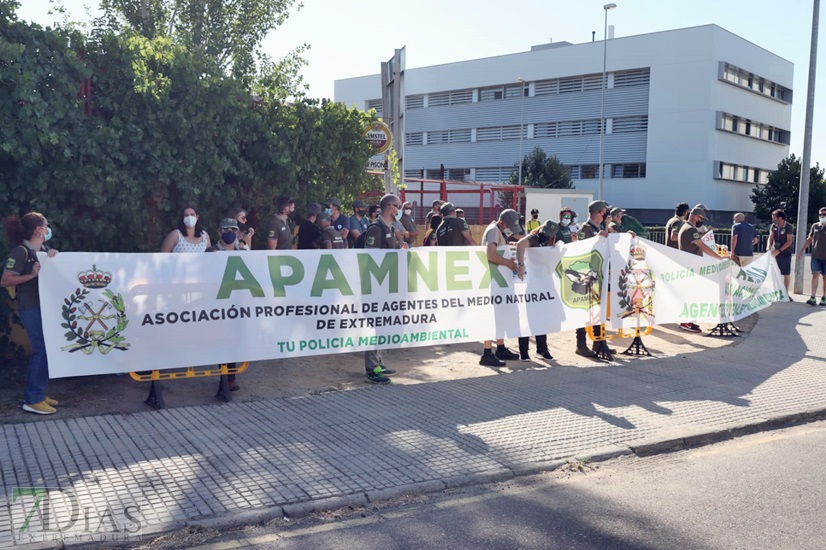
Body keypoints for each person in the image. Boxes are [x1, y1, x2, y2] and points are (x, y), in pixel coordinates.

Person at [1, 212, 60, 414]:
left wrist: (52, 258)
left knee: (45, 350)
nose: (49, 227)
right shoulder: (21, 251)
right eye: (46, 225)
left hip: (43, 307)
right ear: (39, 230)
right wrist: (31, 275)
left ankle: (39, 394)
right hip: (30, 308)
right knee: (40, 350)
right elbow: (5, 280)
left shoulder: (42, 250)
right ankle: (32, 399)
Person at [362, 194, 407, 383]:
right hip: (375, 286)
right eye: (398, 206)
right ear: (390, 207)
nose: (401, 209)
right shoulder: (376, 229)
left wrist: (400, 248)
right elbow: (371, 257)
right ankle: (372, 369)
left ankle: (378, 361)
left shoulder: (390, 228)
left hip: (386, 285)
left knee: (382, 325)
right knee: (375, 326)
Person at [479, 209, 523, 366]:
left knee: (500, 315)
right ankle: (486, 353)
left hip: (499, 280)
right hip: (493, 279)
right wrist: (508, 263)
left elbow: (498, 248)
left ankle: (501, 347)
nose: (511, 230)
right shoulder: (493, 231)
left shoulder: (498, 230)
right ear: (502, 222)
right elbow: (490, 255)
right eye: (509, 226)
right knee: (492, 316)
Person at [206, 219, 245, 392]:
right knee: (221, 340)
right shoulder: (210, 252)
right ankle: (224, 377)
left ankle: (231, 378)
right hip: (216, 303)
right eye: (226, 229)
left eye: (234, 230)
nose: (230, 233)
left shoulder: (243, 253)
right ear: (219, 232)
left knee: (234, 341)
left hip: (238, 304)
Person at [515, 220, 558, 361]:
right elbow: (520, 244)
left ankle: (542, 349)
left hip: (542, 283)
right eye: (546, 233)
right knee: (527, 317)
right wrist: (520, 264)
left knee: (542, 317)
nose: (547, 236)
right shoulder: (534, 238)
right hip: (530, 284)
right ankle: (524, 351)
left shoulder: (549, 241)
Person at [678, 206, 723, 332]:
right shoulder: (690, 229)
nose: (701, 220)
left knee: (691, 293)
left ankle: (688, 320)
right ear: (695, 216)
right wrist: (719, 257)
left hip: (690, 265)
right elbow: (702, 246)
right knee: (691, 294)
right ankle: (686, 321)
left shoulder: (686, 227)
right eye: (701, 218)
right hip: (691, 266)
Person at [575, 200, 611, 356]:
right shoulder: (586, 228)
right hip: (587, 276)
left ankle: (599, 341)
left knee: (598, 310)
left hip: (599, 274)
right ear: (599, 212)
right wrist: (598, 237)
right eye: (604, 211)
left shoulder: (600, 227)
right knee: (584, 312)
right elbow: (583, 249)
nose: (606, 214)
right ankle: (581, 345)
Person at [797, 206, 826, 306]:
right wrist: (801, 251)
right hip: (816, 256)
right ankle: (813, 297)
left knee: (825, 278)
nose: (822, 216)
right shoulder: (815, 226)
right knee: (815, 275)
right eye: (820, 214)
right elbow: (809, 239)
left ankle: (824, 297)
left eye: (824, 214)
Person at [768, 208, 794, 300]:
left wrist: (780, 250)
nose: (772, 218)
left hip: (785, 252)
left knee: (785, 273)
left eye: (774, 217)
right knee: (775, 272)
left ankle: (786, 293)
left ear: (780, 217)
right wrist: (769, 247)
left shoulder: (788, 226)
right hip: (774, 252)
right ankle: (776, 292)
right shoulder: (773, 226)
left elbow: (789, 241)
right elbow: (770, 237)